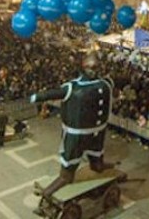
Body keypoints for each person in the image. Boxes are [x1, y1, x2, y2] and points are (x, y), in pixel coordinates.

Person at [29, 51, 115, 214]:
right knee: (67, 174)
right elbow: (53, 94)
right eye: (91, 67)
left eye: (95, 67)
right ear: (83, 68)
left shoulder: (105, 84)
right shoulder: (72, 87)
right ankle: (47, 194)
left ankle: (98, 164)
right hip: (77, 136)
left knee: (96, 160)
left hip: (97, 133)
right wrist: (35, 97)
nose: (94, 71)